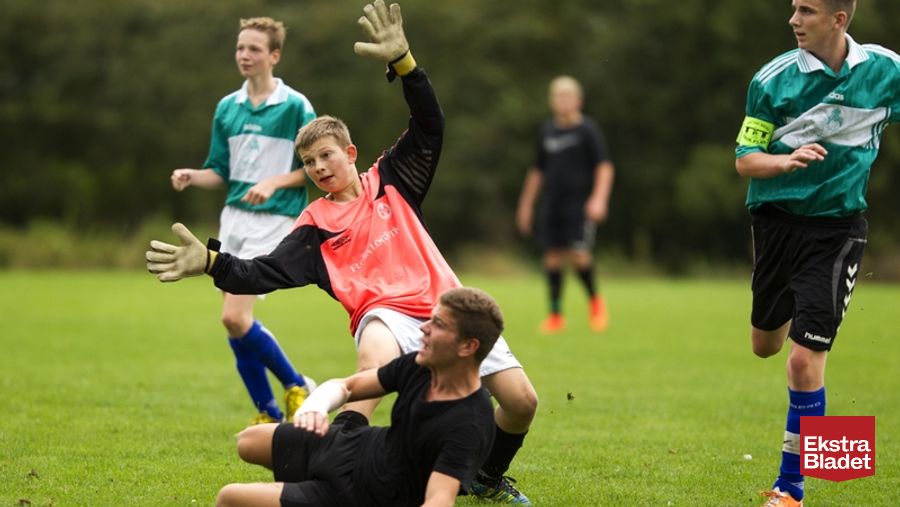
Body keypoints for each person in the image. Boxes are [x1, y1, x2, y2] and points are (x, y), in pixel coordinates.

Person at [147, 1, 537, 504]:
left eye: (326, 155)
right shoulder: (315, 226)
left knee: (522, 402)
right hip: (382, 313)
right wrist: (210, 263)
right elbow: (263, 272)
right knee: (371, 359)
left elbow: (430, 124)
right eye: (308, 162)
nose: (318, 167)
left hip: (446, 308)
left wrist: (406, 65)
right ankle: (341, 469)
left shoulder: (394, 179)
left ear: (350, 153)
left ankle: (485, 477)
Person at [734, 1, 899, 505]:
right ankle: (799, 321)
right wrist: (784, 163)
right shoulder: (772, 80)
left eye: (806, 10)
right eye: (793, 9)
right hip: (777, 224)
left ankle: (792, 488)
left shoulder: (885, 70)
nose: (794, 19)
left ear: (839, 19)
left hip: (838, 230)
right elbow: (745, 161)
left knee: (805, 360)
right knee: (766, 345)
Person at [215, 287, 502, 507]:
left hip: (362, 494)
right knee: (248, 442)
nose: (423, 328)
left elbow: (439, 499)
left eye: (438, 324)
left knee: (230, 498)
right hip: (358, 446)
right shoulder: (422, 365)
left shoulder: (470, 423)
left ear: (468, 346)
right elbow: (349, 386)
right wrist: (314, 407)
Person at [169, 17, 316, 424]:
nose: (244, 55)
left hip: (274, 221)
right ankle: (267, 413)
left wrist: (272, 182)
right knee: (237, 325)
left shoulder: (295, 106)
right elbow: (221, 170)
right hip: (233, 219)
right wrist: (192, 176)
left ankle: (296, 383)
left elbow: (315, 166)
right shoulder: (227, 108)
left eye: (253, 48)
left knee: (233, 317)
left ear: (274, 55)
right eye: (240, 48)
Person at [515, 75, 615, 335]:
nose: (563, 101)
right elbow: (537, 171)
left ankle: (596, 304)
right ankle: (556, 315)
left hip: (579, 204)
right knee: (551, 257)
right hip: (552, 203)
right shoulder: (547, 131)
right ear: (552, 101)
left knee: (579, 256)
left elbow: (604, 166)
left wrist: (599, 198)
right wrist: (526, 205)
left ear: (578, 100)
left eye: (567, 96)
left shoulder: (587, 130)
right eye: (558, 96)